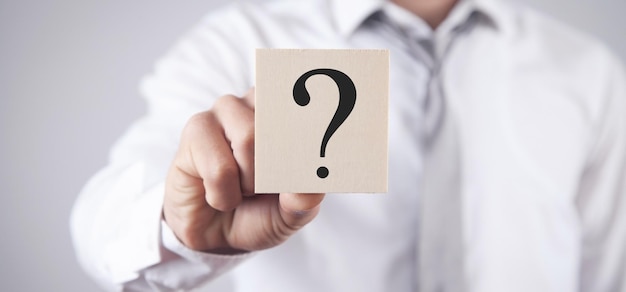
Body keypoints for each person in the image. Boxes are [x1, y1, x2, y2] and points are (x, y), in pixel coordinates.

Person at [70, 0, 626, 291]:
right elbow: (106, 224)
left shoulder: (586, 70)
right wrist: (180, 225)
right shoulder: (239, 42)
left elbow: (606, 274)